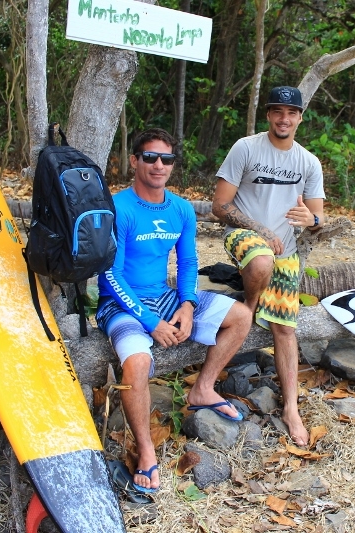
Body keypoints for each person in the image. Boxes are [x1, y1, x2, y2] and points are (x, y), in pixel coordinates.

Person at [96, 128, 252, 493]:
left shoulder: (181, 208)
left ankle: (203, 389)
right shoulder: (118, 208)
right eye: (150, 157)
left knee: (241, 316)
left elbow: (187, 262)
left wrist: (186, 305)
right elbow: (109, 276)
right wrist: (151, 323)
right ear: (134, 161)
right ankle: (146, 450)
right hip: (120, 302)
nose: (158, 165)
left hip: (165, 296)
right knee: (136, 362)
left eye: (166, 159)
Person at [212, 86, 325, 447]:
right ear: (269, 116)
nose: (284, 119)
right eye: (277, 111)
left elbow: (318, 214)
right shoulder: (246, 148)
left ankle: (291, 408)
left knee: (285, 329)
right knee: (260, 259)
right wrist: (260, 229)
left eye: (291, 113)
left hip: (286, 252)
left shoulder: (307, 161)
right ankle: (246, 311)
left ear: (300, 118)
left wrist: (312, 218)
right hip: (243, 238)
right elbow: (220, 206)